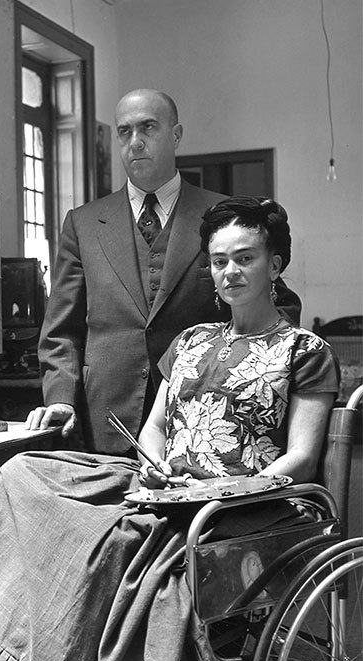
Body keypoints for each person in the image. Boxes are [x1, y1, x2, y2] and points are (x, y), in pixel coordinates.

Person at [0, 196, 338, 661]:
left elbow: (303, 457)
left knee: (103, 539)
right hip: (164, 487)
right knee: (22, 474)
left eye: (245, 258)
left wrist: (221, 493)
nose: (230, 271)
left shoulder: (303, 351)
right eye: (219, 260)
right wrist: (154, 465)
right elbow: (157, 426)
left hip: (237, 507)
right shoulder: (192, 341)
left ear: (275, 264)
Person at [26, 89, 301, 453]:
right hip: (107, 418)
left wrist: (242, 377)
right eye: (124, 132)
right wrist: (61, 397)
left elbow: (279, 307)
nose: (135, 142)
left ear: (176, 134)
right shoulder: (84, 224)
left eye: (148, 128)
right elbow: (61, 329)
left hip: (204, 422)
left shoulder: (225, 217)